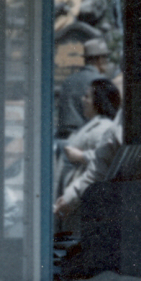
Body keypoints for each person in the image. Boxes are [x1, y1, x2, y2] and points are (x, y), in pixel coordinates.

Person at [54, 78, 122, 223]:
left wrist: (81, 156)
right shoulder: (91, 125)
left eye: (87, 96)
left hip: (80, 199)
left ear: (99, 101)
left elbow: (104, 160)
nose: (83, 99)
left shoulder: (103, 127)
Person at [55, 36, 111, 139]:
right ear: (99, 59)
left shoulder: (69, 80)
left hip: (63, 139)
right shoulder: (101, 82)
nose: (107, 62)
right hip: (85, 140)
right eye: (106, 57)